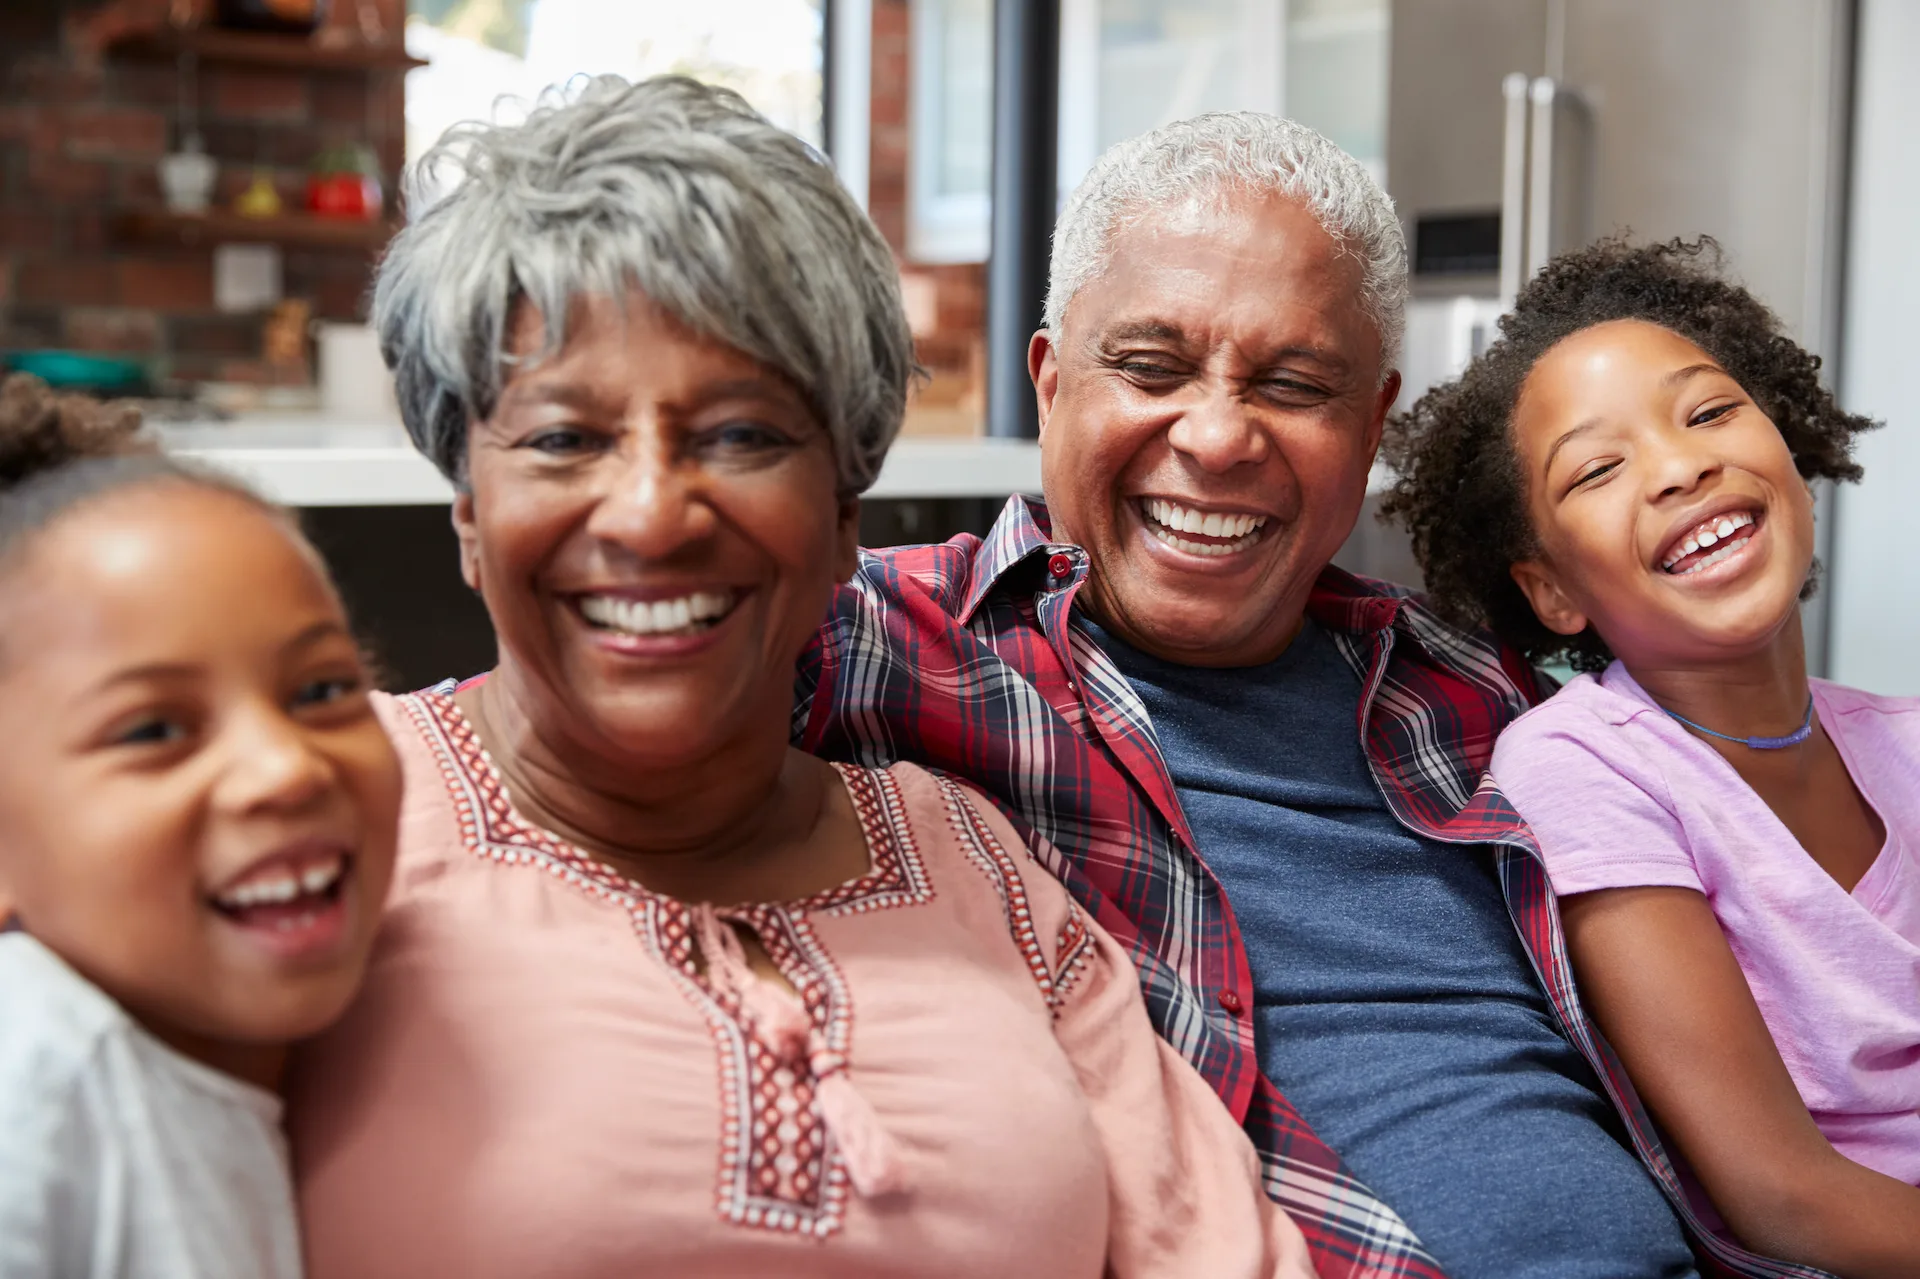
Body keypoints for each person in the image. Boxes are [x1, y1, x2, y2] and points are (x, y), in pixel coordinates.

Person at [285, 76, 1313, 1279]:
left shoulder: (967, 857)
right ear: (471, 510)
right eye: (566, 438)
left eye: (743, 436)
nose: (654, 514)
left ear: (841, 520)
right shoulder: (320, 809)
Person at [796, 114, 1716, 1279]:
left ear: (1372, 423)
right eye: (1150, 366)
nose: (1220, 436)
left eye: (1295, 384)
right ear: (1051, 380)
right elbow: (529, 740)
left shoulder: (1483, 687)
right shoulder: (892, 645)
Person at [1382, 236, 1917, 1277]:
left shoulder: (1903, 736)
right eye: (1599, 468)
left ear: (1791, 458)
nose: (1682, 466)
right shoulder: (1585, 766)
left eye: (1710, 412)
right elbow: (1780, 1195)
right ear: (1552, 592)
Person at [0, 373, 403, 1278]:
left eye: (323, 690)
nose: (285, 766)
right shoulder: (37, 1066)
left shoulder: (210, 1080)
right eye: (153, 729)